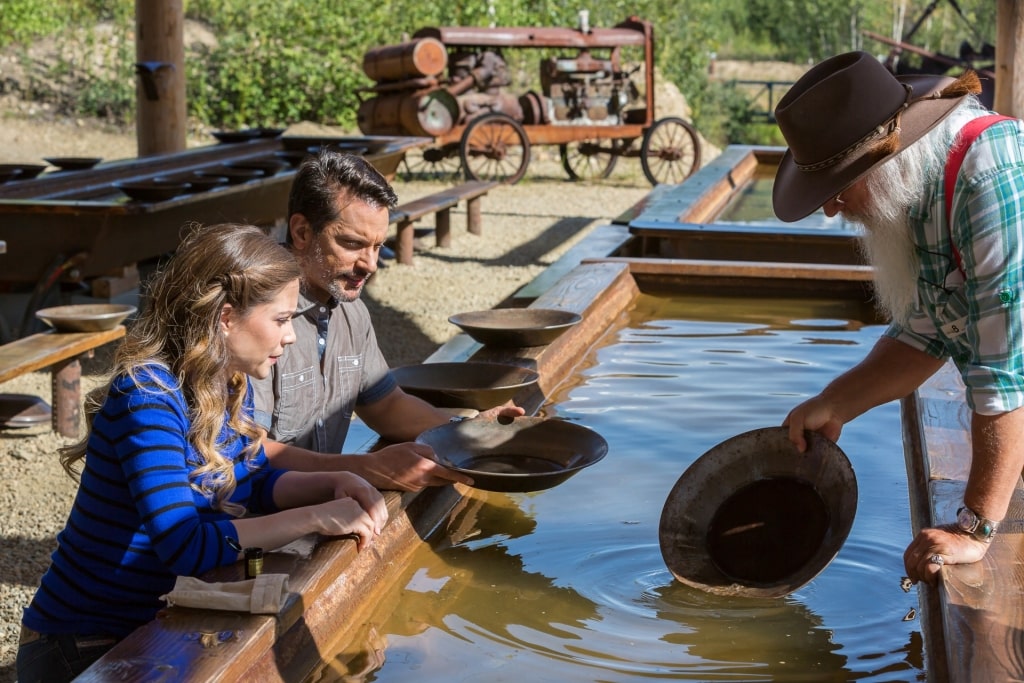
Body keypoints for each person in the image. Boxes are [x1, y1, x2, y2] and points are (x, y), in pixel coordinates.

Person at [16, 223, 389, 683]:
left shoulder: (228, 382)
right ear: (226, 317)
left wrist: (331, 484)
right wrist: (317, 517)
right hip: (84, 644)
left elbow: (249, 482)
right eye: (280, 319)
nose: (290, 336)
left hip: (155, 619)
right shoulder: (147, 396)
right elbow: (184, 545)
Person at [771, 51, 1024, 586]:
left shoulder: (986, 177)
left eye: (838, 186)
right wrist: (836, 401)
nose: (832, 210)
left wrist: (974, 528)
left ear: (886, 155)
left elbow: (1005, 376)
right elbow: (928, 328)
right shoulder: (927, 185)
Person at [252, 150, 523, 490]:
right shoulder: (256, 315)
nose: (371, 265)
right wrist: (363, 468)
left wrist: (466, 429)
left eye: (378, 246)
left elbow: (387, 405)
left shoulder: (353, 312)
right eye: (352, 244)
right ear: (302, 232)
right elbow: (244, 452)